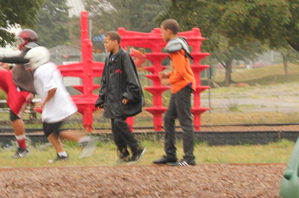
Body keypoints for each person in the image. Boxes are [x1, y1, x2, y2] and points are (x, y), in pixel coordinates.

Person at [24, 46, 97, 162]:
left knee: (54, 131)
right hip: (58, 104)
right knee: (49, 131)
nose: (29, 63)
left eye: (31, 60)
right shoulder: (49, 67)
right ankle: (62, 154)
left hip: (56, 106)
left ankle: (84, 140)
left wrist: (43, 102)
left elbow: (52, 89)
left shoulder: (41, 71)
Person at [94, 31, 146, 164]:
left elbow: (132, 79)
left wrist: (128, 95)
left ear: (115, 42)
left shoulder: (124, 57)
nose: (104, 45)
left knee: (118, 122)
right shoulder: (108, 59)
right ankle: (123, 154)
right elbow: (104, 81)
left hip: (123, 99)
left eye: (106, 42)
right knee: (114, 126)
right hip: (112, 100)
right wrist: (101, 98)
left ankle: (136, 149)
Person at [153, 19, 197, 167]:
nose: (161, 35)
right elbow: (179, 68)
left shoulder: (175, 47)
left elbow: (182, 72)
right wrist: (168, 74)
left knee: (185, 122)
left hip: (183, 86)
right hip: (179, 87)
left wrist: (168, 80)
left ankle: (189, 159)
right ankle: (170, 155)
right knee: (168, 119)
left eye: (161, 31)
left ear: (168, 31)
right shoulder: (178, 44)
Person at [0, 29, 41, 93]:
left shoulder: (31, 48)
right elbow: (25, 69)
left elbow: (21, 59)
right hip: (35, 83)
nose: (19, 43)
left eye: (20, 40)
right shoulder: (31, 50)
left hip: (40, 83)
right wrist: (9, 67)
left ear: (26, 41)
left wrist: (0, 58)